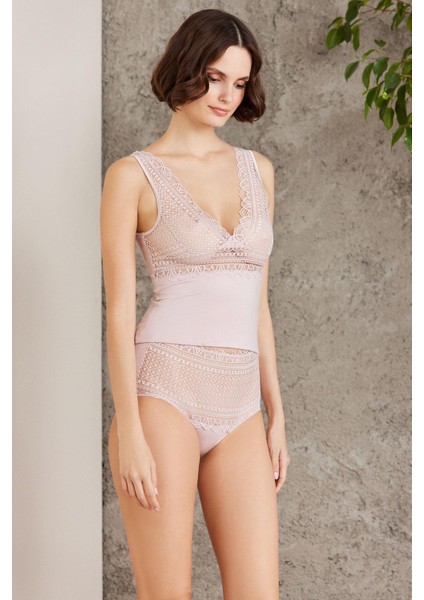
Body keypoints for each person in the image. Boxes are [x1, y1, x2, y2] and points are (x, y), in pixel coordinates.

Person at [101, 8, 290, 600]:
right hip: (164, 392)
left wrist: (276, 412)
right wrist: (130, 430)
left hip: (240, 402)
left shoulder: (258, 171)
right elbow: (117, 314)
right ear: (186, 70)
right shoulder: (132, 176)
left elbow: (258, 302)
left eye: (240, 82)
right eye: (214, 78)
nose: (227, 96)